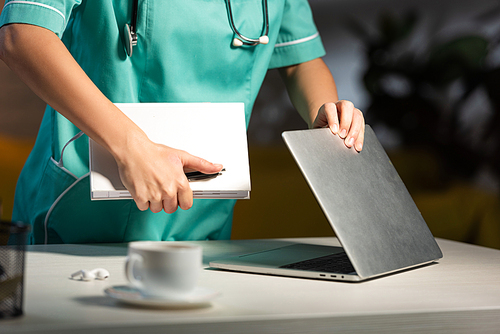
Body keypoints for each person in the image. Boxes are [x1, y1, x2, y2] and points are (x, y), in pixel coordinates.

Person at [0, 0, 365, 244]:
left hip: (201, 218)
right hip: (83, 210)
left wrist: (325, 109)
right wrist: (131, 146)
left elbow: (299, 59)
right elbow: (22, 34)